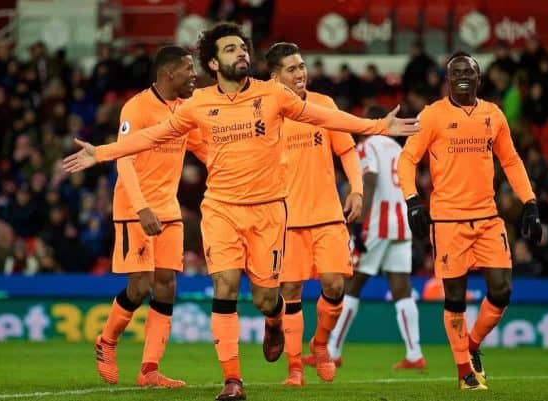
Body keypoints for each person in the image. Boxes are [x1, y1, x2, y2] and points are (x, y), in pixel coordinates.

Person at [63, 23, 419, 401]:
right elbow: (152, 136)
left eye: (243, 48)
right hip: (220, 211)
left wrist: (379, 126)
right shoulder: (197, 103)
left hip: (268, 213)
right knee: (225, 287)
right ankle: (232, 380)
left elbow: (325, 118)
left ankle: (274, 321)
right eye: (232, 49)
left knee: (267, 298)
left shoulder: (273, 95)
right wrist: (101, 152)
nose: (242, 54)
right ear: (214, 63)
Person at [397, 52, 542, 390]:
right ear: (448, 79)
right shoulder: (432, 115)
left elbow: (512, 160)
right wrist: (412, 200)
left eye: (469, 71)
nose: (462, 75)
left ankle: (472, 344)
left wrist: (530, 203)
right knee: (456, 298)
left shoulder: (493, 114)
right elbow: (407, 159)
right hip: (448, 221)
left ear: (479, 78)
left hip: (488, 217)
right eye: (455, 71)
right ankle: (465, 371)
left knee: (502, 290)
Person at [92, 46, 206, 388]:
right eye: (189, 69)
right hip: (133, 209)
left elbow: (203, 147)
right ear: (169, 74)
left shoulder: (185, 108)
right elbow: (123, 159)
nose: (194, 75)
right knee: (140, 286)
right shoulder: (137, 107)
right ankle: (107, 341)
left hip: (168, 210)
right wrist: (141, 208)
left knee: (167, 286)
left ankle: (149, 370)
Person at [264, 42, 363, 386]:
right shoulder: (265, 114)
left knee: (335, 284)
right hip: (286, 219)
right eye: (292, 69)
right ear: (275, 77)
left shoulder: (324, 105)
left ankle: (320, 343)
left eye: (302, 66)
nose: (301, 73)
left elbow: (348, 151)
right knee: (290, 291)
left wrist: (357, 189)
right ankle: (294, 368)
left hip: (327, 214)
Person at [323, 105, 426, 371]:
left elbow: (368, 181)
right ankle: (414, 353)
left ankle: (332, 351)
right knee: (401, 287)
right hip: (401, 222)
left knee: (353, 284)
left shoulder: (368, 145)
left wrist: (357, 224)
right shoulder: (397, 148)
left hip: (377, 224)